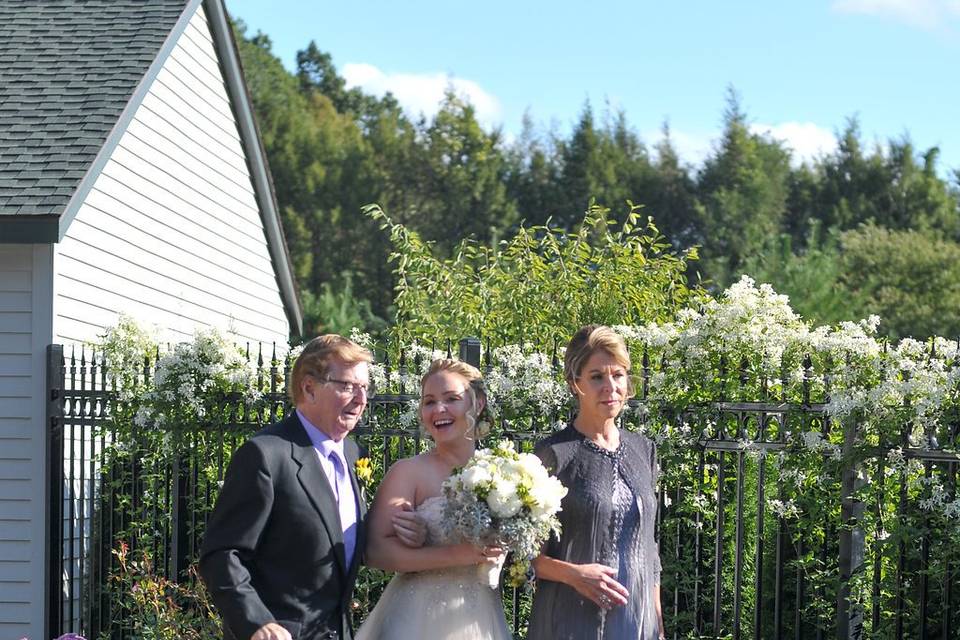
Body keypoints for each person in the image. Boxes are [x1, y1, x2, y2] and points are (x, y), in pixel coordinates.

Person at [199, 334, 424, 640]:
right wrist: (256, 623)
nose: (361, 399)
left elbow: (337, 538)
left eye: (364, 388)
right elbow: (222, 554)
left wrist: (411, 532)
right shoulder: (266, 455)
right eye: (347, 386)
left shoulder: (353, 454)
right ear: (309, 387)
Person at [355, 359, 511, 640]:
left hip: (479, 616)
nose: (439, 409)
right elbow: (375, 551)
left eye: (451, 399)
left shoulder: (504, 472)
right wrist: (460, 555)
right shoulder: (409, 472)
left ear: (477, 403)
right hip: (416, 618)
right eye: (429, 402)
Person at [528, 325, 666, 640]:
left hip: (635, 621)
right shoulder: (554, 454)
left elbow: (650, 548)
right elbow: (524, 557)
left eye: (618, 375)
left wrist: (656, 623)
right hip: (569, 620)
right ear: (575, 383)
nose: (610, 387)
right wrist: (574, 575)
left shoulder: (644, 450)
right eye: (596, 377)